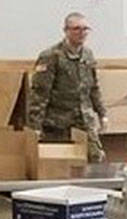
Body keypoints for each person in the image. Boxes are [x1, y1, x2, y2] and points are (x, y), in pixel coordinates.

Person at [27, 13, 107, 163]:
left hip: (84, 121)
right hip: (58, 123)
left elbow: (94, 88)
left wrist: (102, 114)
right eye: (76, 29)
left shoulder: (88, 55)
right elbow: (39, 93)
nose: (81, 33)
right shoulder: (51, 56)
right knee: (59, 164)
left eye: (85, 29)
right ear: (66, 30)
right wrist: (35, 127)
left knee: (95, 159)